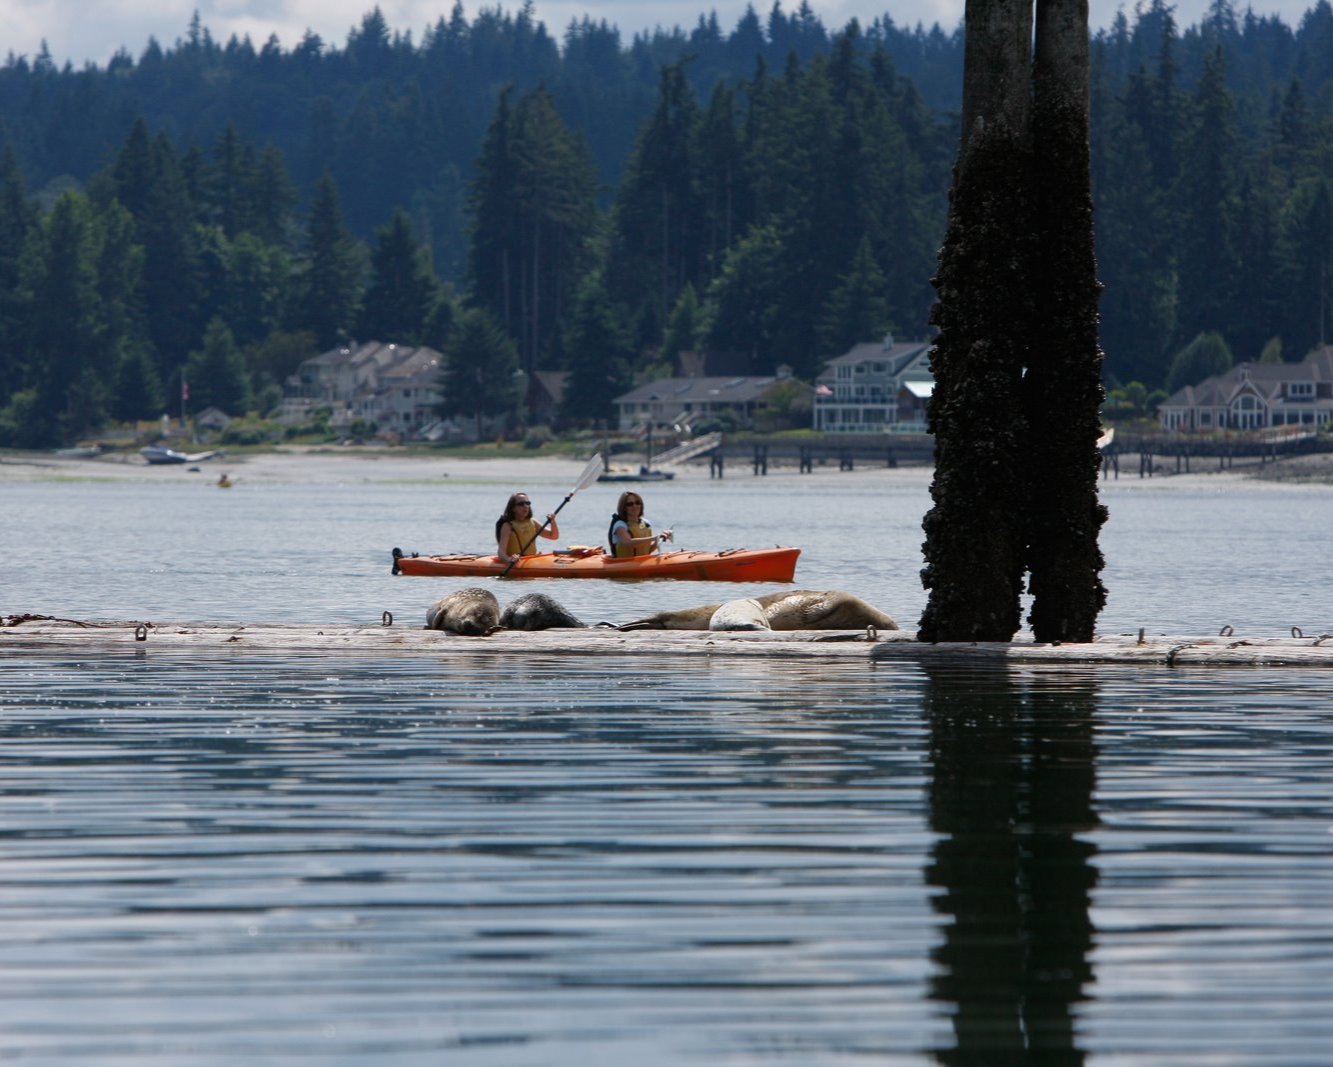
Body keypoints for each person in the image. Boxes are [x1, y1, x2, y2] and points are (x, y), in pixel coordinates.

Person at [495, 492, 558, 563]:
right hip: (517, 561)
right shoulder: (508, 526)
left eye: (527, 503)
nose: (525, 506)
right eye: (521, 504)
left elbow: (553, 536)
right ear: (513, 508)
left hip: (531, 560)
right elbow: (501, 552)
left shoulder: (532, 522)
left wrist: (552, 522)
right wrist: (509, 560)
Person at [607, 491, 673, 558]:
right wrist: (653, 538)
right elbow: (627, 542)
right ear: (624, 507)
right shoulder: (620, 525)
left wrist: (660, 538)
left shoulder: (646, 523)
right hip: (623, 563)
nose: (634, 506)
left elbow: (648, 550)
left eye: (637, 503)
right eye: (630, 504)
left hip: (641, 562)